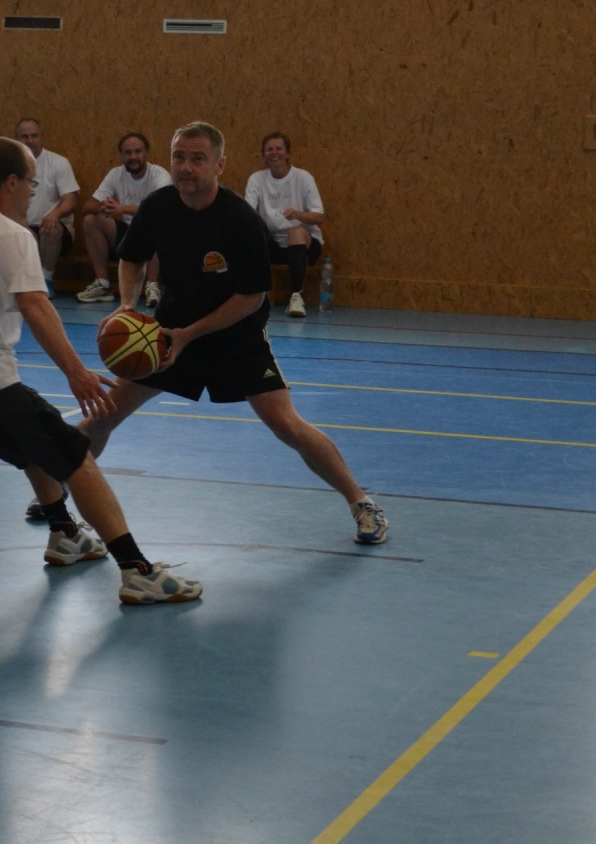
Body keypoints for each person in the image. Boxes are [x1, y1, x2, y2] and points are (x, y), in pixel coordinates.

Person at [0, 136, 201, 605]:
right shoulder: (9, 234)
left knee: (35, 447)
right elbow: (35, 306)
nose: (33, 191)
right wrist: (76, 372)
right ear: (10, 182)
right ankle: (137, 571)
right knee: (75, 457)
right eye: (30, 181)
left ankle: (65, 533)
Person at [79, 121, 390, 546]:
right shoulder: (157, 207)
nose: (185, 167)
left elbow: (251, 296)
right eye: (178, 157)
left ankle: (361, 502)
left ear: (219, 165)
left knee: (286, 425)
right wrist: (127, 306)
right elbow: (132, 258)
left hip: (236, 338)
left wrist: (191, 334)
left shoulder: (240, 219)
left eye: (197, 159)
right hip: (168, 336)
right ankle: (57, 495)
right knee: (103, 416)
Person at [77, 132, 172, 307]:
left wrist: (121, 209)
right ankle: (103, 285)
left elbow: (161, 210)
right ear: (121, 155)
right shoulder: (115, 174)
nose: (133, 156)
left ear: (146, 153)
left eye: (137, 151)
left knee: (161, 222)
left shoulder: (159, 175)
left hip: (153, 236)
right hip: (127, 234)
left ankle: (152, 286)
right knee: (91, 220)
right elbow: (88, 206)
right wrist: (107, 207)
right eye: (128, 152)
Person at [244, 132, 326, 318]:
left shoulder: (303, 178)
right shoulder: (257, 179)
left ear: (287, 153)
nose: (274, 153)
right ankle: (257, 295)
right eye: (269, 149)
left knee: (295, 233)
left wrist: (297, 214)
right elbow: (248, 213)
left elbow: (319, 217)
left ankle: (296, 297)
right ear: (264, 155)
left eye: (278, 149)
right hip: (273, 244)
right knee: (250, 235)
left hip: (304, 245)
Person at [13, 118, 78, 298]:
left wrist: (55, 214)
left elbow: (71, 200)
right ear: (16, 139)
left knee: (50, 228)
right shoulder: (9, 166)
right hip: (22, 226)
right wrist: (21, 224)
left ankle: (45, 280)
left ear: (42, 138)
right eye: (24, 136)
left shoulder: (58, 163)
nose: (30, 140)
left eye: (34, 136)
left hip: (54, 229)